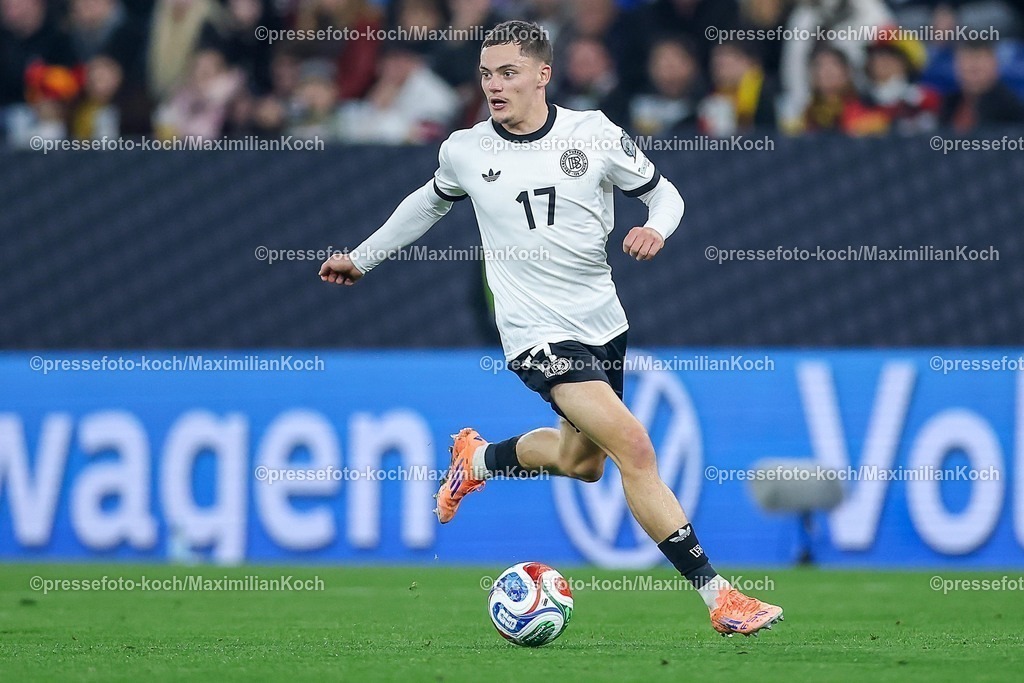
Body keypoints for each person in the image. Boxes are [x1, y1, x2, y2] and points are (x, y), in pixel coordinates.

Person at [319, 19, 783, 637]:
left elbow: (666, 195)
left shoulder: (592, 134)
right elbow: (427, 203)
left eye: (507, 72)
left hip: (602, 324)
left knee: (581, 461)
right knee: (636, 448)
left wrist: (656, 229)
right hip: (532, 331)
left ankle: (478, 459)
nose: (493, 85)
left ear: (543, 74)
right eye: (486, 74)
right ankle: (719, 598)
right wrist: (362, 257)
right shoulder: (466, 148)